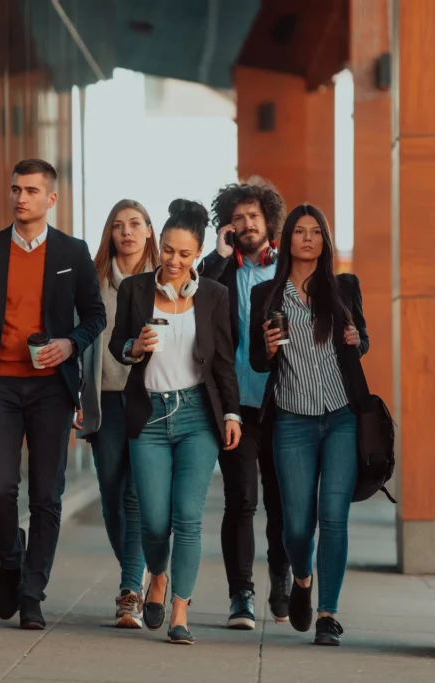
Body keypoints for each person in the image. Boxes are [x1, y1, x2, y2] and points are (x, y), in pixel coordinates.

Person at [0, 158, 105, 630]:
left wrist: (69, 344)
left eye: (32, 191)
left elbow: (95, 316)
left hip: (50, 390)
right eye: (16, 189)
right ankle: (9, 560)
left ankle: (32, 590)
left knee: (46, 496)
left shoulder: (73, 253)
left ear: (51, 199)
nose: (21, 197)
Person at [108, 199, 241, 645]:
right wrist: (135, 348)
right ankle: (157, 576)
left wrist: (231, 412)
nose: (174, 261)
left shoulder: (214, 296)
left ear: (198, 253)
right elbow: (116, 347)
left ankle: (180, 610)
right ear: (159, 245)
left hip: (196, 417)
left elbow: (223, 362)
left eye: (185, 254)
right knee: (152, 519)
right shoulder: (135, 290)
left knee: (187, 516)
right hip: (147, 416)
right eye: (168, 250)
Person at [250, 203, 368, 647]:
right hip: (292, 420)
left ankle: (328, 614)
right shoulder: (265, 294)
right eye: (299, 231)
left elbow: (363, 339)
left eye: (315, 231)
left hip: (341, 416)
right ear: (287, 241)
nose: (307, 238)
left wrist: (358, 340)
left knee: (334, 518)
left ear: (324, 240)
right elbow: (257, 362)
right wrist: (266, 346)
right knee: (297, 526)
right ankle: (302, 579)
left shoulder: (344, 287)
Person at [199, 176, 292, 628]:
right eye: (237, 218)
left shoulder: (288, 269)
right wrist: (218, 254)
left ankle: (280, 573)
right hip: (234, 405)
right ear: (228, 226)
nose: (246, 223)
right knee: (240, 501)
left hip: (284, 401)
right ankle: (241, 595)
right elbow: (194, 294)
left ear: (269, 221)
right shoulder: (222, 269)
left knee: (281, 501)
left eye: (253, 216)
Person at [78, 199, 158, 628]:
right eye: (117, 225)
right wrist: (76, 395)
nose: (126, 232)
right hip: (104, 397)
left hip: (149, 399)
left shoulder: (164, 280)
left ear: (149, 230)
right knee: (111, 496)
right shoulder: (92, 282)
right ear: (110, 234)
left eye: (134, 224)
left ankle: (129, 589)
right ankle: (135, 573)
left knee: (135, 497)